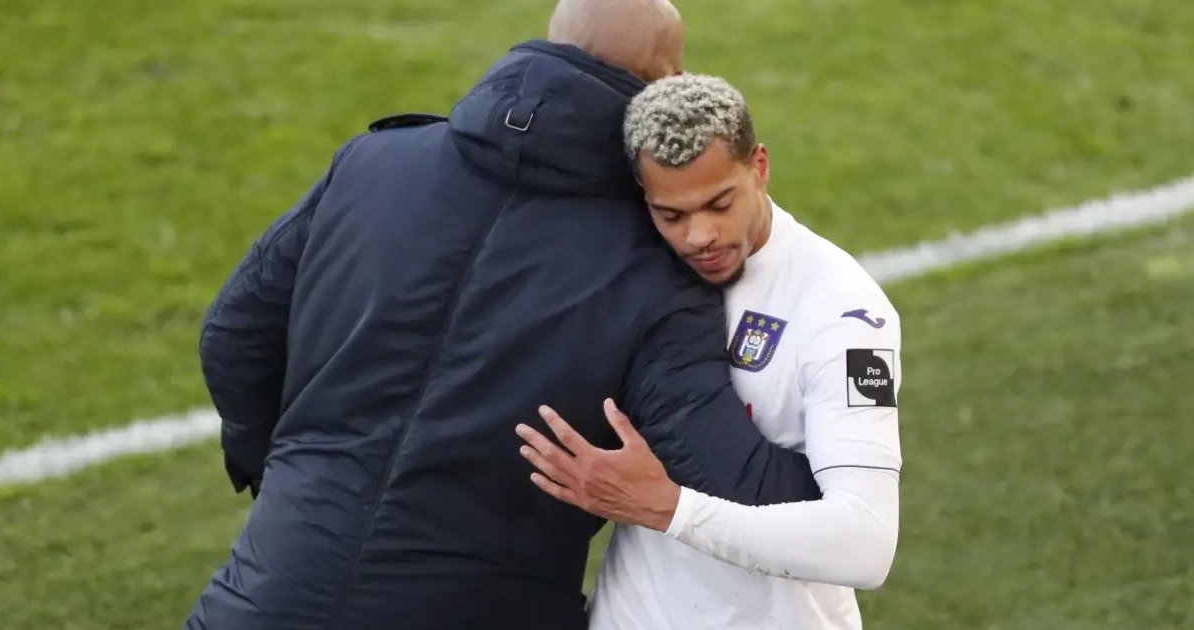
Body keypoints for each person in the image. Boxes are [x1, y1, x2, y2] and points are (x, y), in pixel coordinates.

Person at [186, 4, 823, 629]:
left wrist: (291, 479)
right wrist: (850, 489)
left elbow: (232, 338)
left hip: (265, 596)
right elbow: (730, 477)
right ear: (665, 86)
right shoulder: (654, 263)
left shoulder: (370, 163)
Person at [517, 73, 903, 630]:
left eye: (720, 204)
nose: (699, 236)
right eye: (671, 215)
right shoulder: (638, 265)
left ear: (760, 167)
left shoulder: (848, 317)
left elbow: (866, 544)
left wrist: (668, 508)